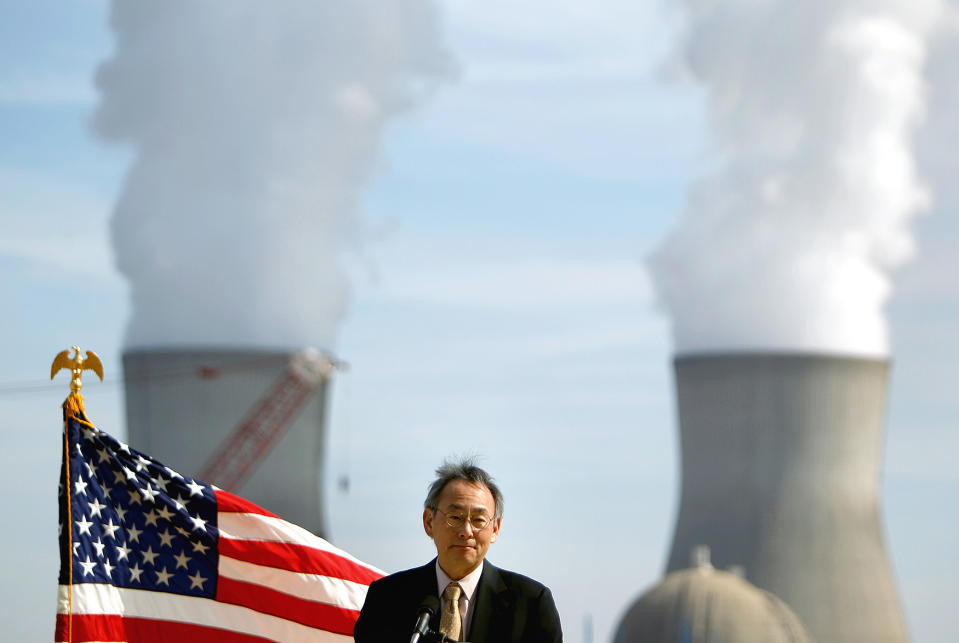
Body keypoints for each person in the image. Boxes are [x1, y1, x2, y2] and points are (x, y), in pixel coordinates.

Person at [354, 458, 562, 642]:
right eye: (455, 518)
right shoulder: (386, 599)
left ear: (495, 529)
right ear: (429, 522)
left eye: (479, 520)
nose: (466, 531)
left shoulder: (530, 604)